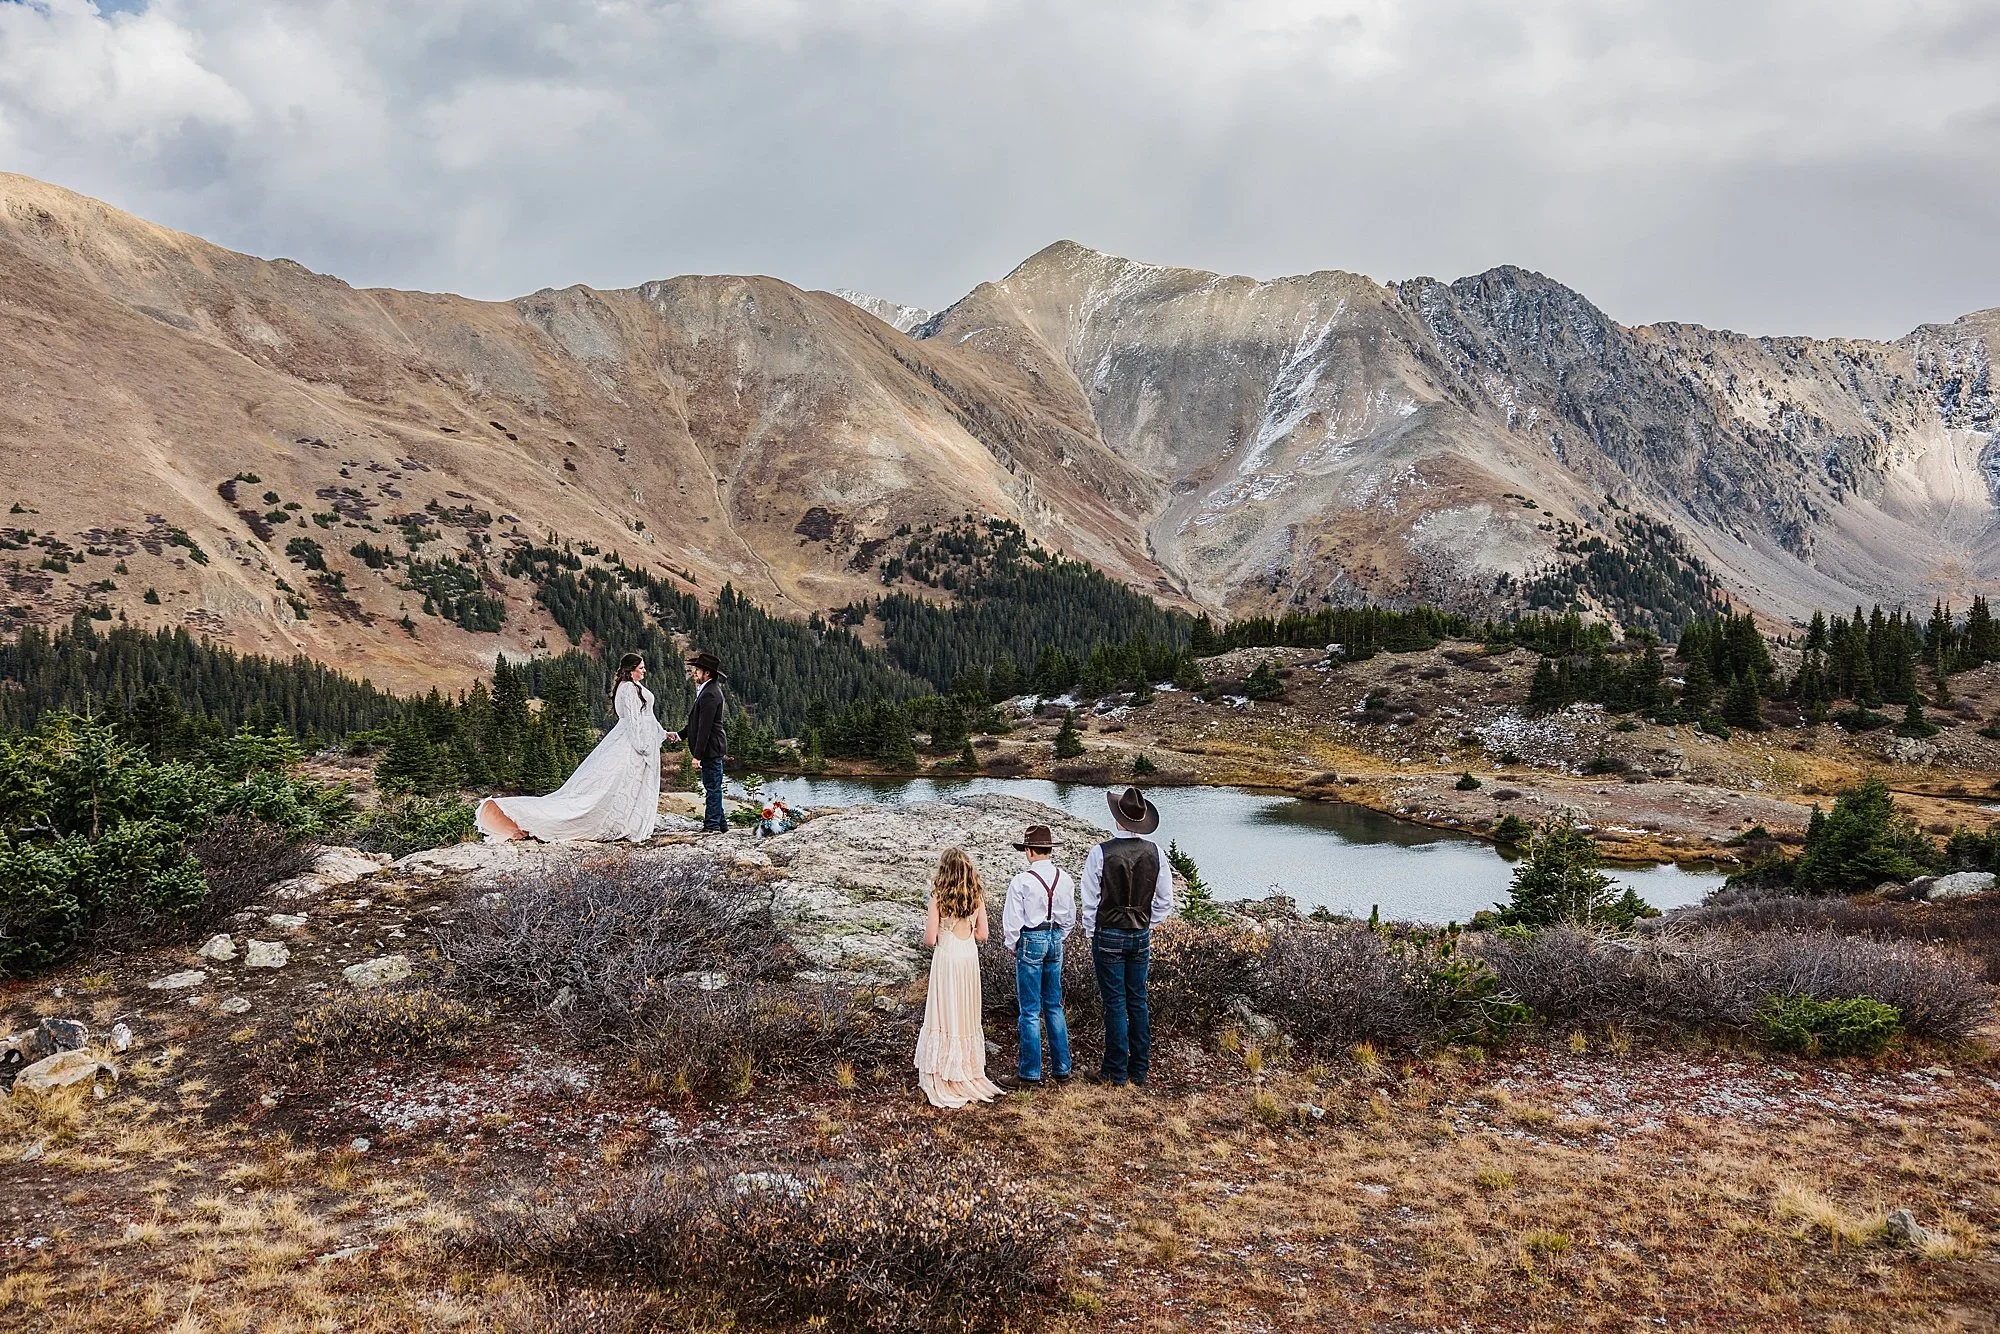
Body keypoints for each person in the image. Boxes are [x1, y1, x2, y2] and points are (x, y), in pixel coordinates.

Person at [475, 653, 665, 843]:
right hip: (632, 742)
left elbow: (647, 716)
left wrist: (662, 734)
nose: (644, 671)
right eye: (641, 668)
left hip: (635, 739)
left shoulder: (633, 686)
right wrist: (643, 747)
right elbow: (633, 720)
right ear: (631, 670)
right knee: (616, 785)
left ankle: (627, 822)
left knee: (625, 784)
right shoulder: (629, 688)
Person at [1078, 787, 1175, 1088]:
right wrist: (1147, 923)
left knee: (1115, 1003)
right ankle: (1139, 1069)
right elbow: (1165, 902)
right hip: (1140, 934)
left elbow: (1090, 901)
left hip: (1108, 933)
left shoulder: (1100, 853)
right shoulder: (1156, 853)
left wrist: (1092, 932)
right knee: (1138, 1000)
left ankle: (1115, 1070)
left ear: (1117, 819)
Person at [914, 846, 1002, 1109]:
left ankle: (944, 1069)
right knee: (965, 1011)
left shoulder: (938, 897)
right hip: (968, 956)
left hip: (948, 957)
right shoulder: (977, 897)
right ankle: (966, 1067)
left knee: (946, 1012)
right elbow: (983, 935)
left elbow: (930, 939)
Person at [1002, 824, 1074, 1086]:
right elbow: (1070, 918)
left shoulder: (1021, 881)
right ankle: (1062, 1068)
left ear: (1029, 851)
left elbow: (1012, 922)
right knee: (1054, 1004)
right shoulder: (1065, 879)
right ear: (1049, 850)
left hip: (1031, 939)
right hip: (1055, 938)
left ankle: (1030, 1073)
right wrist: (1058, 937)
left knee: (1030, 1010)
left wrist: (1014, 945)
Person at [666, 650, 728, 833]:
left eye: (698, 670)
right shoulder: (708, 690)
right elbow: (696, 722)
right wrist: (680, 735)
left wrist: (697, 756)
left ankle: (712, 826)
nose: (695, 673)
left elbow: (705, 728)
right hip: (712, 747)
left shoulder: (710, 694)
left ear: (707, 673)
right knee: (713, 786)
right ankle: (721, 825)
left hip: (711, 748)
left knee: (713, 788)